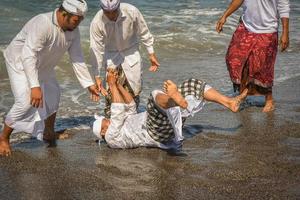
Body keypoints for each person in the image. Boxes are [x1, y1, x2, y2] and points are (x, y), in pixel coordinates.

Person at [0, 0, 100, 156]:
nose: (79, 23)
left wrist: (89, 84)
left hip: (43, 63)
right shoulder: (43, 23)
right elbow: (28, 55)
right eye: (76, 20)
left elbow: (77, 57)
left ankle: (48, 132)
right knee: (26, 101)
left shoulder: (73, 30)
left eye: (81, 20)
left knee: (53, 93)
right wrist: (34, 86)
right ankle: (3, 138)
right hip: (19, 62)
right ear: (64, 14)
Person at [92, 69, 247, 150]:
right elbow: (118, 112)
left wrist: (118, 84)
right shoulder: (111, 138)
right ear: (103, 132)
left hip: (163, 125)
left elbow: (130, 105)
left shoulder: (119, 127)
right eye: (105, 121)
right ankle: (174, 100)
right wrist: (111, 85)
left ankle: (229, 102)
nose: (108, 119)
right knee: (153, 97)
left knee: (191, 85)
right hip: (155, 132)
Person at [216, 0, 290, 112]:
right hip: (246, 26)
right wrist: (225, 16)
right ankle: (244, 92)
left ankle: (269, 99)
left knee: (262, 67)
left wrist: (285, 33)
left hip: (267, 29)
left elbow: (284, 6)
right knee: (233, 59)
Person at [90, 0, 160, 118]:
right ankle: (112, 124)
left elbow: (144, 32)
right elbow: (96, 50)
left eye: (114, 12)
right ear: (102, 9)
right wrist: (96, 76)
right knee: (111, 93)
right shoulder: (97, 22)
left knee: (133, 91)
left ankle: (132, 121)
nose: (111, 15)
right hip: (111, 57)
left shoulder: (131, 11)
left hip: (131, 53)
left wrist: (151, 54)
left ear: (119, 6)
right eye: (107, 13)